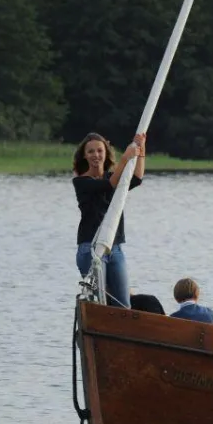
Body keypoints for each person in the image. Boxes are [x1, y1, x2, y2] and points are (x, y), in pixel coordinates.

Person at [73, 131, 146, 308]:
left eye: (99, 150)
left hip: (115, 248)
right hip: (91, 249)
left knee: (123, 305)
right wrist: (125, 159)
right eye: (90, 151)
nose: (96, 155)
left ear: (106, 153)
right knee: (100, 304)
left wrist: (141, 150)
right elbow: (108, 185)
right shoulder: (81, 182)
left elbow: (136, 179)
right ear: (84, 155)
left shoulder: (112, 177)